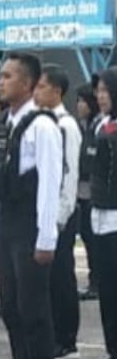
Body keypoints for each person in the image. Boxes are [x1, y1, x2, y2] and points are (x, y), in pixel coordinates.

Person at [0, 53, 64, 359]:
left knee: (33, 307)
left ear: (28, 83)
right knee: (10, 305)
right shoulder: (5, 124)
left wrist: (46, 236)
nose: (0, 82)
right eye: (0, 76)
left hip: (30, 224)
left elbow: (49, 183)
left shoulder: (42, 126)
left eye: (7, 76)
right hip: (7, 224)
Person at [34, 64, 82, 359]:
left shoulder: (66, 126)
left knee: (61, 277)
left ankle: (66, 339)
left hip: (61, 212)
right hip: (44, 212)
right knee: (46, 279)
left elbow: (69, 173)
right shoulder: (40, 122)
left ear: (57, 91)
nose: (36, 92)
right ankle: (53, 335)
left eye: (41, 87)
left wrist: (61, 214)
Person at [87, 69, 117, 359]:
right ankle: (113, 352)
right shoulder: (101, 125)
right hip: (99, 214)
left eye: (106, 90)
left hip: (115, 216)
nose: (100, 96)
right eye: (99, 91)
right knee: (107, 291)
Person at [76, 82, 102, 301]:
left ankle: (98, 281)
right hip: (82, 191)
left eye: (83, 101)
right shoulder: (82, 127)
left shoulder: (99, 127)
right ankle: (95, 280)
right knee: (87, 236)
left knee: (95, 240)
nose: (79, 106)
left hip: (95, 191)